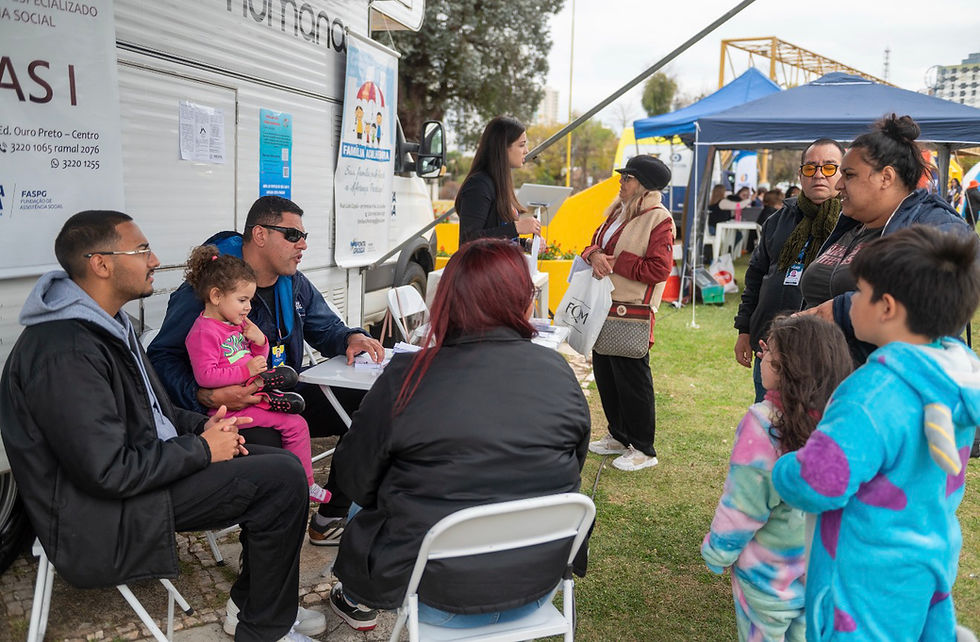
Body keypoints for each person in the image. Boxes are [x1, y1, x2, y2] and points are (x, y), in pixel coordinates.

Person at [0, 211, 323, 642]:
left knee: (271, 452)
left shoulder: (109, 325)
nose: (154, 260)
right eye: (141, 250)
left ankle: (254, 608)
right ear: (101, 264)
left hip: (147, 469)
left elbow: (156, 412)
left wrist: (210, 423)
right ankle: (264, 627)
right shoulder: (65, 350)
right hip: (103, 509)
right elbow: (106, 472)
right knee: (281, 480)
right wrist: (203, 449)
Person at [327, 239, 590, 631]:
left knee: (361, 505)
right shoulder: (558, 371)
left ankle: (356, 598)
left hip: (432, 593)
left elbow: (354, 480)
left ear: (446, 301)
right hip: (537, 585)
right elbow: (575, 461)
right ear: (523, 300)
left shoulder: (406, 375)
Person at [772, 226, 980, 641]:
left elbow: (819, 483)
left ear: (886, 306)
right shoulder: (957, 374)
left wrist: (785, 468)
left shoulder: (873, 394)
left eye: (859, 292)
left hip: (862, 572)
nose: (850, 303)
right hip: (929, 557)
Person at [147, 195, 384, 549]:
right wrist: (204, 395)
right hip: (228, 408)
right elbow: (162, 357)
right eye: (292, 235)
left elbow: (326, 328)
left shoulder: (293, 281)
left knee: (373, 404)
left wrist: (351, 338)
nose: (302, 244)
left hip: (280, 390)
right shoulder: (213, 287)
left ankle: (330, 517)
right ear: (259, 235)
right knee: (279, 461)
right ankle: (260, 574)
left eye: (304, 236)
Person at [703, 315, 852, 642]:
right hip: (819, 573)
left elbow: (743, 503)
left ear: (785, 367)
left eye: (768, 351)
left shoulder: (762, 424)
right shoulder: (842, 423)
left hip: (765, 580)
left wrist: (718, 550)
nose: (761, 356)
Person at [798, 114, 973, 365]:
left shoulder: (937, 226)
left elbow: (934, 297)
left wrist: (840, 309)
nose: (838, 185)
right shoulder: (852, 225)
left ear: (886, 177)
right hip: (823, 384)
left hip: (886, 388)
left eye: (849, 174)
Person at [182, 244, 330, 504]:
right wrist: (245, 370)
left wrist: (260, 341)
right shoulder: (203, 333)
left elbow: (257, 360)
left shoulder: (234, 325)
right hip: (230, 409)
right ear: (216, 296)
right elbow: (206, 377)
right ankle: (305, 484)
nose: (248, 307)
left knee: (294, 417)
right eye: (242, 300)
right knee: (295, 425)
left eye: (249, 300)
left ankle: (272, 389)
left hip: (249, 389)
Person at [734, 139, 844, 402]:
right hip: (770, 343)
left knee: (810, 427)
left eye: (829, 167)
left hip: (823, 348)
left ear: (843, 174)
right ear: (800, 174)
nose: (819, 175)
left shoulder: (851, 224)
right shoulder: (778, 220)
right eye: (811, 168)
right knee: (768, 421)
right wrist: (745, 330)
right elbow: (756, 278)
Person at [583, 155, 674, 471]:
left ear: (644, 185)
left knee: (632, 379)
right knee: (606, 374)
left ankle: (644, 449)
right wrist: (595, 255)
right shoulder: (617, 212)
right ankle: (619, 436)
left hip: (631, 309)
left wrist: (614, 260)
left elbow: (660, 269)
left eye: (628, 178)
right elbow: (592, 244)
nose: (621, 182)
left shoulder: (658, 219)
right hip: (604, 305)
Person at [455, 116, 541, 246]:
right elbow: (470, 240)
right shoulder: (478, 185)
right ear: (503, 148)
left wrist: (526, 244)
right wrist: (516, 228)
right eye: (521, 145)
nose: (526, 151)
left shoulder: (499, 182)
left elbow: (497, 235)